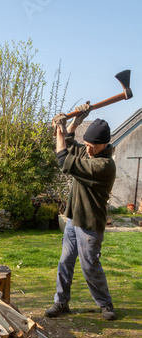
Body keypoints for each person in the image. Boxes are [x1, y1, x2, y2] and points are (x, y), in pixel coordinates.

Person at [45, 105, 117, 320]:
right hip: (73, 219)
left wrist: (59, 129)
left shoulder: (104, 166)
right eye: (86, 145)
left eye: (92, 146)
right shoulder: (89, 152)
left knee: (89, 265)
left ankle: (105, 304)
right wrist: (75, 122)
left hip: (90, 222)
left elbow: (62, 158)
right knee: (65, 260)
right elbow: (69, 144)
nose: (87, 149)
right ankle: (61, 303)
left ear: (105, 144)